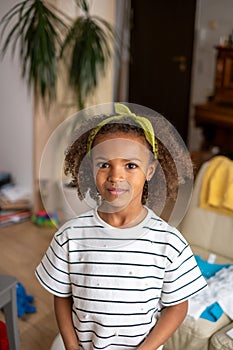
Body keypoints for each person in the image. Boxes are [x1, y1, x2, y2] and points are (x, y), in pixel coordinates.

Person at [36, 103, 207, 350]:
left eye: (130, 165)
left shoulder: (169, 242)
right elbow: (62, 296)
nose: (116, 176)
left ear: (149, 171)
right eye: (104, 164)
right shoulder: (69, 236)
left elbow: (178, 306)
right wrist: (72, 347)